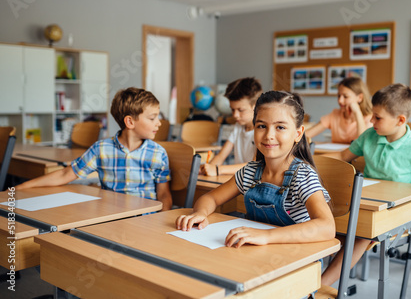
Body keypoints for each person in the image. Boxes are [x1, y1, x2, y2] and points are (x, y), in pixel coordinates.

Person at [321, 83, 411, 287]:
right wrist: (308, 162)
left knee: (362, 234)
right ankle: (307, 281)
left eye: (377, 117)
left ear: (400, 120)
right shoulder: (369, 136)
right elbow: (342, 156)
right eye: (372, 115)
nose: (371, 121)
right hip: (369, 203)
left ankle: (320, 287)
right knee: (330, 224)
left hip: (398, 212)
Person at [177, 91, 335, 249]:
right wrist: (200, 213)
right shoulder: (250, 172)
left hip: (295, 257)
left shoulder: (302, 175)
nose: (269, 135)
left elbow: (327, 226)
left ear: (298, 134)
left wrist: (266, 236)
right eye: (261, 126)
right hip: (256, 252)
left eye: (280, 127)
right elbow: (211, 198)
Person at [16, 87, 172, 211]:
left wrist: (160, 221)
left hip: (145, 219)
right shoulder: (101, 149)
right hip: (110, 216)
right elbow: (66, 173)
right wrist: (22, 187)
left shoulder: (158, 154)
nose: (159, 123)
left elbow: (163, 194)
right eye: (153, 118)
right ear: (130, 122)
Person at [200, 77, 262, 176]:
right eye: (232, 109)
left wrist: (217, 170)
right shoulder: (238, 126)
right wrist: (206, 168)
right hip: (239, 180)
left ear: (255, 106)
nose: (235, 115)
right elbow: (221, 155)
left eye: (240, 110)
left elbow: (254, 166)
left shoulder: (262, 130)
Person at [306, 76, 372, 143]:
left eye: (345, 96)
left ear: (360, 97)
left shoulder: (370, 119)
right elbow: (307, 134)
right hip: (336, 153)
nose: (340, 100)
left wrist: (357, 112)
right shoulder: (334, 115)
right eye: (339, 96)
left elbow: (363, 143)